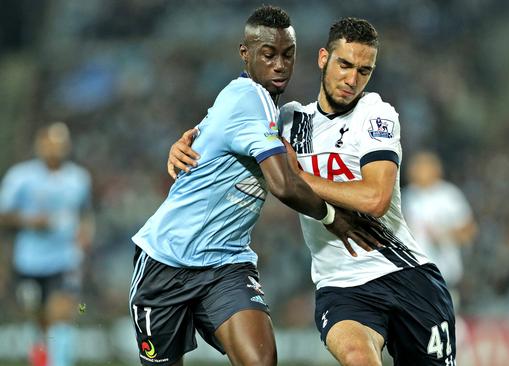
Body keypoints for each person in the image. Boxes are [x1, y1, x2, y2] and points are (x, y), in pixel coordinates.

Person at [170, 17, 457, 366]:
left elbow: (375, 199)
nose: (352, 79)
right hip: (342, 288)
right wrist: (184, 142)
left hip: (407, 276)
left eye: (364, 71)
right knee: (357, 357)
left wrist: (298, 177)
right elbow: (220, 129)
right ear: (323, 58)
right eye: (345, 65)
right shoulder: (288, 120)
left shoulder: (376, 114)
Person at [131, 6, 379, 366]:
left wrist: (181, 144)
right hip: (166, 262)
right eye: (269, 55)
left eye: (288, 55)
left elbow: (204, 137)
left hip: (226, 265)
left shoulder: (264, 108)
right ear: (245, 55)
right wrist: (332, 218)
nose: (280, 65)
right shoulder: (249, 97)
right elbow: (282, 183)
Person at [0, 122, 94, 366]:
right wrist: (30, 221)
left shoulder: (79, 178)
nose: (55, 148)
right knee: (39, 322)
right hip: (29, 260)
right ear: (40, 145)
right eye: (50, 142)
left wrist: (85, 234)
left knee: (61, 316)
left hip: (64, 258)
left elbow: (85, 213)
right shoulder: (20, 177)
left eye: (61, 143)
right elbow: (3, 214)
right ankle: (41, 361)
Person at [402, 151, 477, 306]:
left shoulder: (449, 195)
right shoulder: (406, 197)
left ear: (436, 169)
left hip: (443, 275)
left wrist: (445, 236)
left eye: (422, 166)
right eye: (414, 166)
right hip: (413, 275)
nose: (415, 170)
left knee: (444, 326)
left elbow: (469, 231)